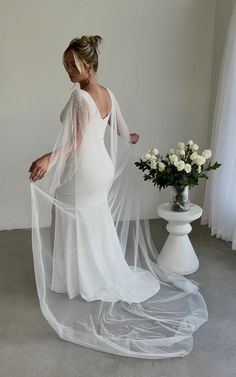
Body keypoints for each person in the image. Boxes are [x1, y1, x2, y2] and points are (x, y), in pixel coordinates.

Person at [29, 35, 208, 358]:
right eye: (66, 65)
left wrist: (47, 158)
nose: (68, 70)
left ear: (90, 65)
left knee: (68, 213)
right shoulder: (107, 94)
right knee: (89, 217)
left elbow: (74, 141)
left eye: (73, 65)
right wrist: (131, 137)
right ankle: (95, 272)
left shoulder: (81, 98)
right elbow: (121, 128)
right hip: (102, 168)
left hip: (83, 167)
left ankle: (79, 278)